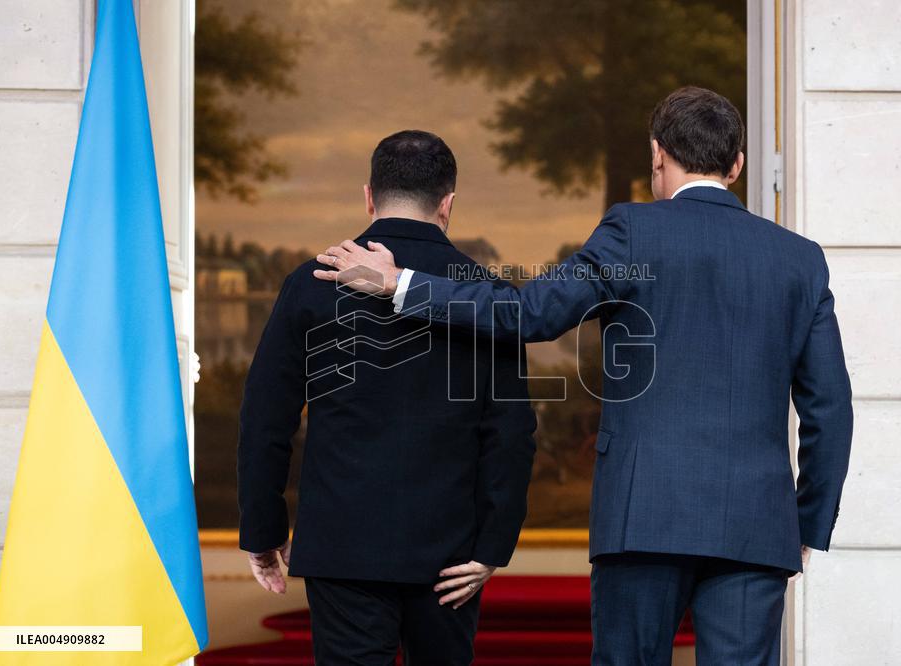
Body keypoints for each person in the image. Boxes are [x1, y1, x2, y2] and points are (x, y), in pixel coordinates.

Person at [313, 87, 854, 665]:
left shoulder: (631, 232)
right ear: (738, 165)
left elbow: (528, 313)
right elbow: (831, 410)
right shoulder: (799, 258)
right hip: (754, 527)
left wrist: (401, 285)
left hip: (641, 519)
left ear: (656, 154)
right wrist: (803, 524)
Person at [238, 130, 537, 665]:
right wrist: (492, 547)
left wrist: (264, 530)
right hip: (452, 556)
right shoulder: (487, 295)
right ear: (447, 205)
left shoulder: (311, 283)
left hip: (342, 548)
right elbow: (511, 434)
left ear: (370, 197)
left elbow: (265, 420)